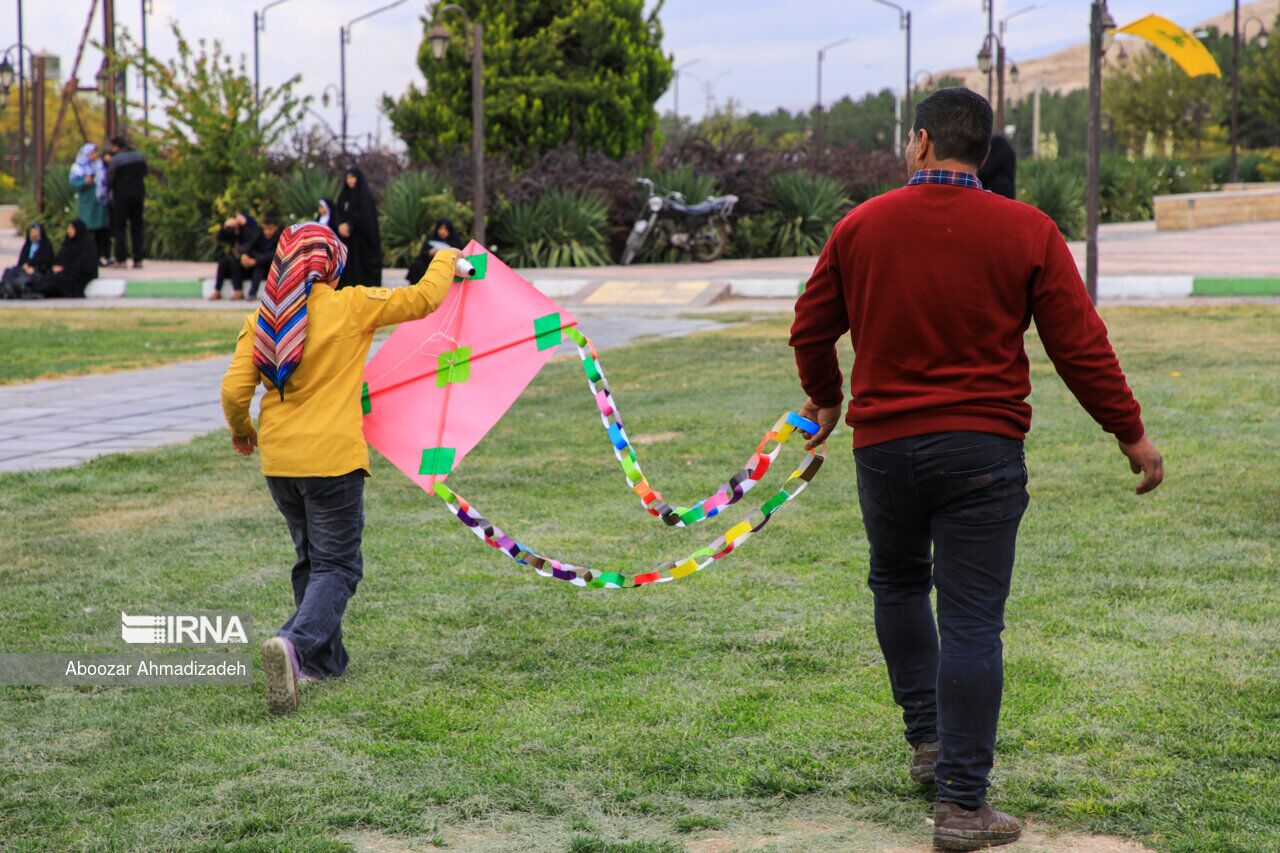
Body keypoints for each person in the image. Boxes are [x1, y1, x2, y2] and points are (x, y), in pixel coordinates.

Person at [788, 88, 1164, 851]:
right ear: (985, 153)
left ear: (922, 142)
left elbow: (810, 326)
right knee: (971, 621)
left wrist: (826, 401)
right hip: (983, 453)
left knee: (896, 582)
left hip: (884, 449)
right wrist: (1130, 433)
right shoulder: (1028, 230)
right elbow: (1080, 346)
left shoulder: (860, 226)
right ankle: (962, 803)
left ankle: (929, 743)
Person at [220, 224, 462, 715]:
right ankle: (292, 645)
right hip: (332, 460)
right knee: (338, 566)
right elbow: (424, 299)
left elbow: (232, 391)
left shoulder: (261, 320)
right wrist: (446, 257)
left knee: (311, 559)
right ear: (328, 264)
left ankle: (322, 663)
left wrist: (244, 430)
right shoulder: (350, 305)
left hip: (281, 462)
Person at [333, 166, 382, 288]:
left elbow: (365, 216)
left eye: (352, 177)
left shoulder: (365, 196)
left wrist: (350, 225)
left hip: (360, 241)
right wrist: (340, 225)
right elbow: (338, 211)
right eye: (347, 177)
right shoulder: (344, 195)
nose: (350, 180)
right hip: (345, 240)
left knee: (360, 273)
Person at [26, 219, 99, 299]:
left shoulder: (87, 245)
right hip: (64, 273)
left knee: (59, 281)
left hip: (77, 277)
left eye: (71, 228)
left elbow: (84, 267)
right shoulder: (69, 243)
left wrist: (64, 269)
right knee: (48, 278)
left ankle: (34, 291)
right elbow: (59, 259)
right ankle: (30, 290)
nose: (69, 231)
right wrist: (55, 267)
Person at [106, 135, 148, 269]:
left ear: (116, 147)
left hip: (121, 198)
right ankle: (138, 259)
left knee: (120, 228)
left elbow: (109, 181)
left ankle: (121, 259)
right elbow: (145, 173)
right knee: (137, 227)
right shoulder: (139, 156)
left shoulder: (116, 160)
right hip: (138, 196)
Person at [69, 143, 111, 265]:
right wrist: (84, 181)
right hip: (87, 202)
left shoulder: (100, 165)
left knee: (101, 231)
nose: (95, 155)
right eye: (92, 153)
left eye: (96, 152)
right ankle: (88, 256)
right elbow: (74, 183)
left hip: (100, 202)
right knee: (87, 230)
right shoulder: (78, 167)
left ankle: (101, 256)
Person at [212, 212, 268, 300]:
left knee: (235, 261)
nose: (236, 230)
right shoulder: (235, 233)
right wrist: (225, 227)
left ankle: (238, 291)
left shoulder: (253, 231)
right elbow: (220, 238)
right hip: (238, 268)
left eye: (238, 227)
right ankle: (217, 290)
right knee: (223, 262)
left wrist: (245, 224)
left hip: (252, 265)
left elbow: (252, 242)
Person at [0, 223, 55, 298]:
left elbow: (46, 263)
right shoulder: (27, 245)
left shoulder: (46, 246)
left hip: (38, 272)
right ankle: (5, 289)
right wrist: (24, 266)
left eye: (36, 232)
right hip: (23, 269)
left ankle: (17, 289)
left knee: (24, 279)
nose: (34, 235)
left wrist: (34, 268)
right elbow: (21, 261)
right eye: (32, 232)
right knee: (10, 271)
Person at [406, 217, 465, 285]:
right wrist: (430, 252)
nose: (442, 231)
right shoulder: (432, 238)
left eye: (445, 229)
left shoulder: (455, 240)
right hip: (431, 262)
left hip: (447, 264)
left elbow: (461, 253)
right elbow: (422, 254)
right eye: (440, 228)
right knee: (416, 264)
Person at [977, 135, 1017, 200]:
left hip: (997, 192)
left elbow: (985, 173)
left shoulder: (999, 157)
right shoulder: (1009, 154)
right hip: (1009, 192)